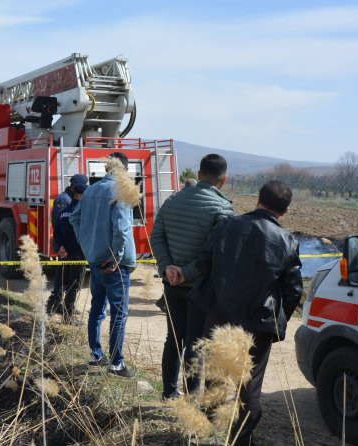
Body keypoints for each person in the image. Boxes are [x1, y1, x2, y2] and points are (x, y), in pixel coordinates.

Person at [186, 180, 303, 446]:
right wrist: (278, 317)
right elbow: (293, 289)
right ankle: (241, 439)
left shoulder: (226, 226)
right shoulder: (287, 241)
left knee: (214, 373)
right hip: (258, 323)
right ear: (284, 211)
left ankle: (211, 426)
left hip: (218, 314)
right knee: (249, 383)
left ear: (258, 199)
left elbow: (204, 262)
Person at [149, 154, 233, 401]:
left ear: (198, 174)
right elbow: (215, 254)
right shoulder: (222, 208)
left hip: (172, 284)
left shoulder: (173, 201)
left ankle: (168, 393)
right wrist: (185, 272)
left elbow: (156, 236)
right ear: (223, 180)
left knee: (173, 339)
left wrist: (167, 268)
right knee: (195, 345)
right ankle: (191, 400)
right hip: (199, 288)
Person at [69, 151, 137, 378]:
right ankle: (116, 364)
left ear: (108, 169)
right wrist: (117, 256)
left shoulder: (91, 191)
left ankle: (97, 356)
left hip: (95, 259)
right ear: (124, 170)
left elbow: (74, 219)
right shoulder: (120, 191)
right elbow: (121, 228)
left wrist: (87, 246)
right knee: (119, 313)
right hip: (114, 264)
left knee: (97, 309)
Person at [47, 174, 88, 323]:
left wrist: (62, 247)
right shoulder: (66, 202)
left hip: (66, 250)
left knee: (65, 279)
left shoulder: (68, 207)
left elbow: (57, 229)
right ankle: (62, 311)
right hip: (74, 252)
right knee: (72, 282)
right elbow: (80, 234)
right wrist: (65, 249)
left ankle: (59, 307)